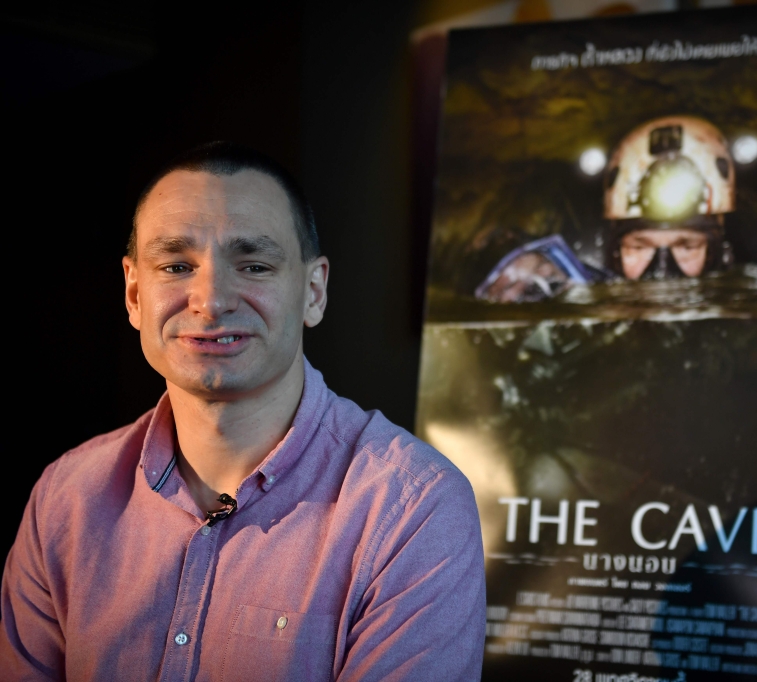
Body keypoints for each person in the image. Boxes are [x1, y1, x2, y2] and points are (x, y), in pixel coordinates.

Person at [0, 142, 486, 681]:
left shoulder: (411, 509)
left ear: (314, 291)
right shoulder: (66, 498)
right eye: (177, 265)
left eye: (253, 265)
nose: (211, 300)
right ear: (134, 294)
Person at [478, 116, 735, 303]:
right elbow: (579, 276)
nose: (661, 271)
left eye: (687, 247)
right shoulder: (594, 292)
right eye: (639, 247)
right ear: (613, 250)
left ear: (718, 253)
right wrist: (537, 267)